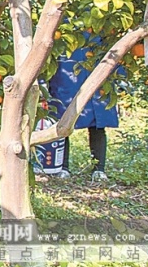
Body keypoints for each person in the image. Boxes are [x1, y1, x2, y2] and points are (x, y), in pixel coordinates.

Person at [47, 44, 120, 181]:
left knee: (97, 124)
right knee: (62, 122)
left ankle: (99, 169)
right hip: (66, 77)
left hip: (96, 75)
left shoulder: (101, 27)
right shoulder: (63, 27)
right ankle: (62, 167)